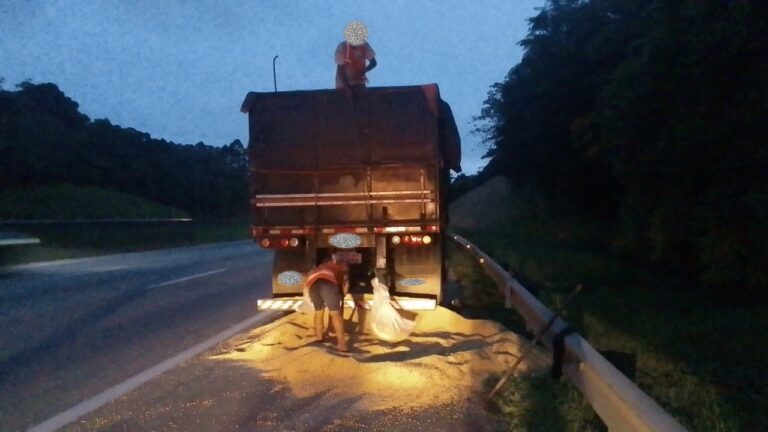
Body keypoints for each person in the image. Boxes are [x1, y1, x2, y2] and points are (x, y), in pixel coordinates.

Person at [305, 250, 350, 351]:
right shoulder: (336, 265)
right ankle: (342, 345)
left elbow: (306, 285)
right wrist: (344, 291)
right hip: (328, 284)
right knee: (335, 314)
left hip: (313, 285)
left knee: (318, 312)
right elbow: (345, 279)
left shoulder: (317, 269)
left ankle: (319, 338)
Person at [335, 21, 377, 89]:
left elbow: (373, 63)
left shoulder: (364, 45)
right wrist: (347, 89)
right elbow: (340, 71)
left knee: (362, 96)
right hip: (343, 84)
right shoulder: (342, 47)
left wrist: (363, 72)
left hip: (359, 82)